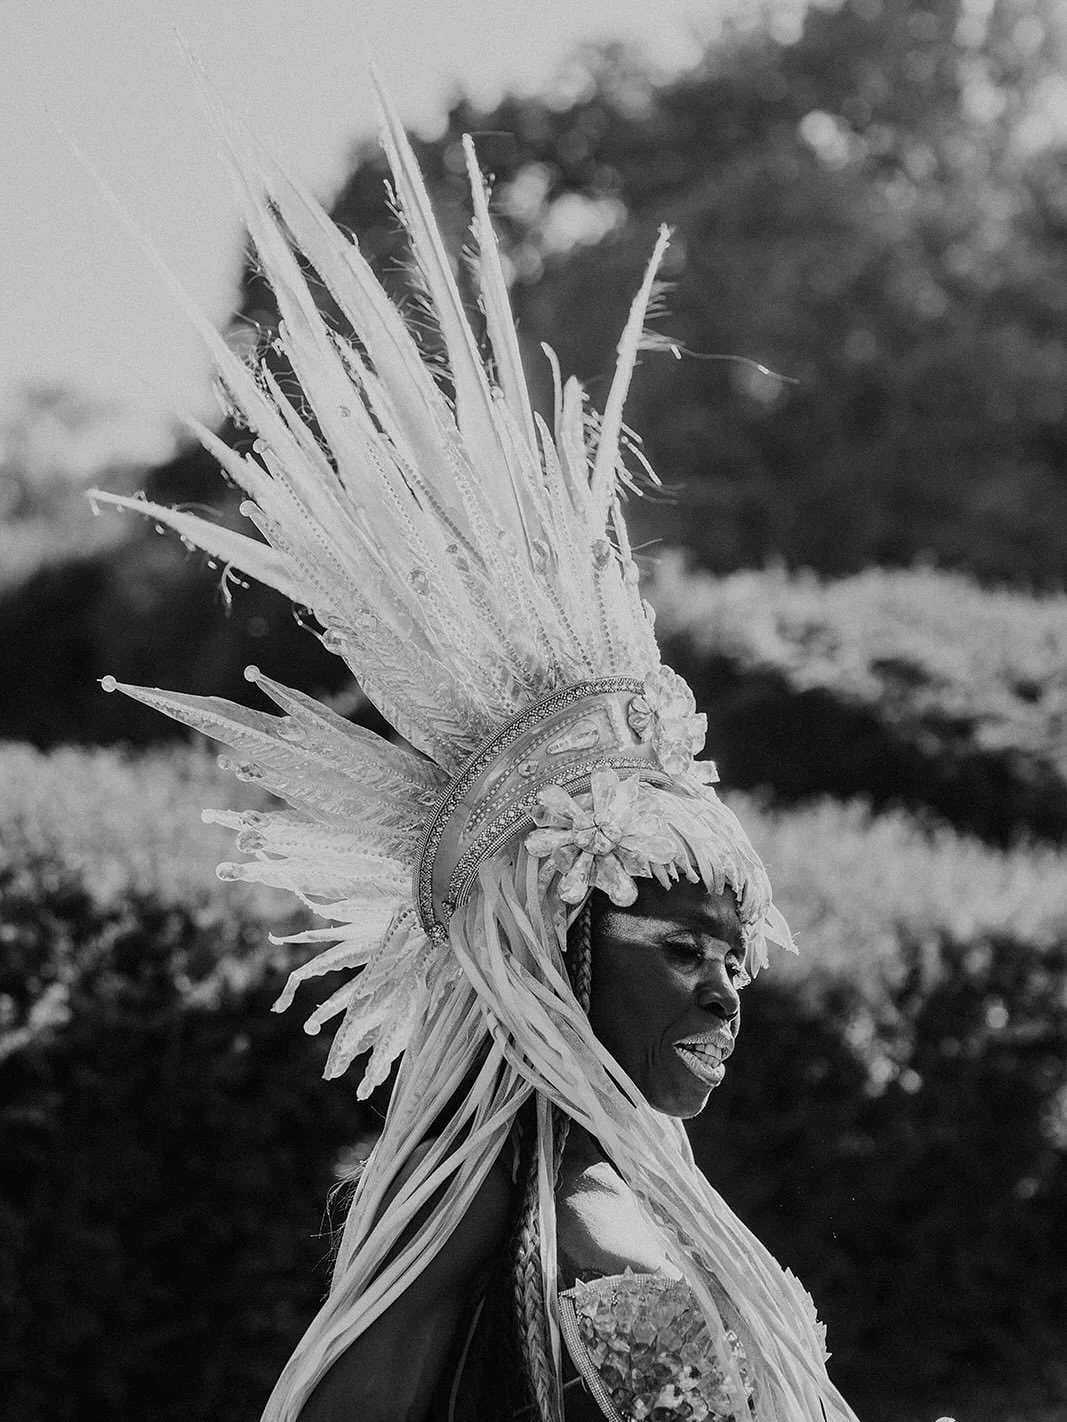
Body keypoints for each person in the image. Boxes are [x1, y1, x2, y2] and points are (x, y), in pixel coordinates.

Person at [96, 69, 860, 1422]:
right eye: (680, 947)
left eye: (733, 957)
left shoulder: (648, 1189)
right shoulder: (492, 1215)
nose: (725, 996)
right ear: (544, 951)